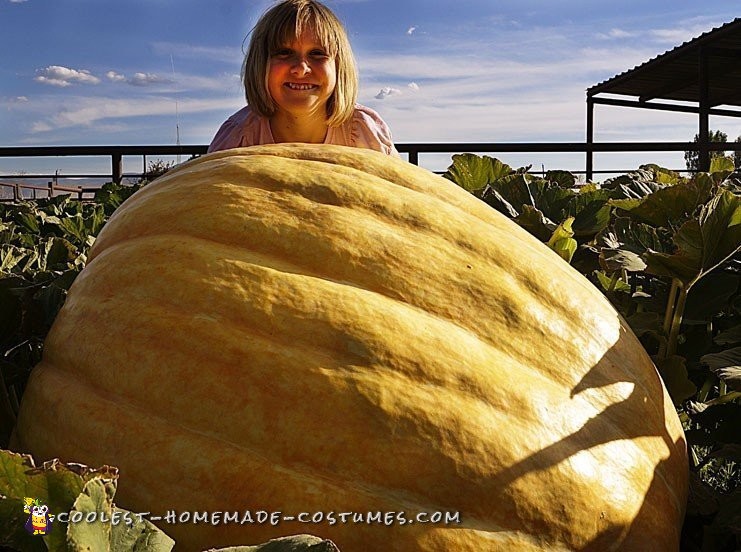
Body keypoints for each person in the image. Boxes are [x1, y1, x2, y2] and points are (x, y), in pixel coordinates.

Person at [208, 0, 398, 156]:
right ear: (260, 63)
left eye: (317, 53)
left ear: (339, 66)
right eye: (284, 52)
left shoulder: (364, 132)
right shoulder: (238, 139)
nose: (300, 68)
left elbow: (399, 196)